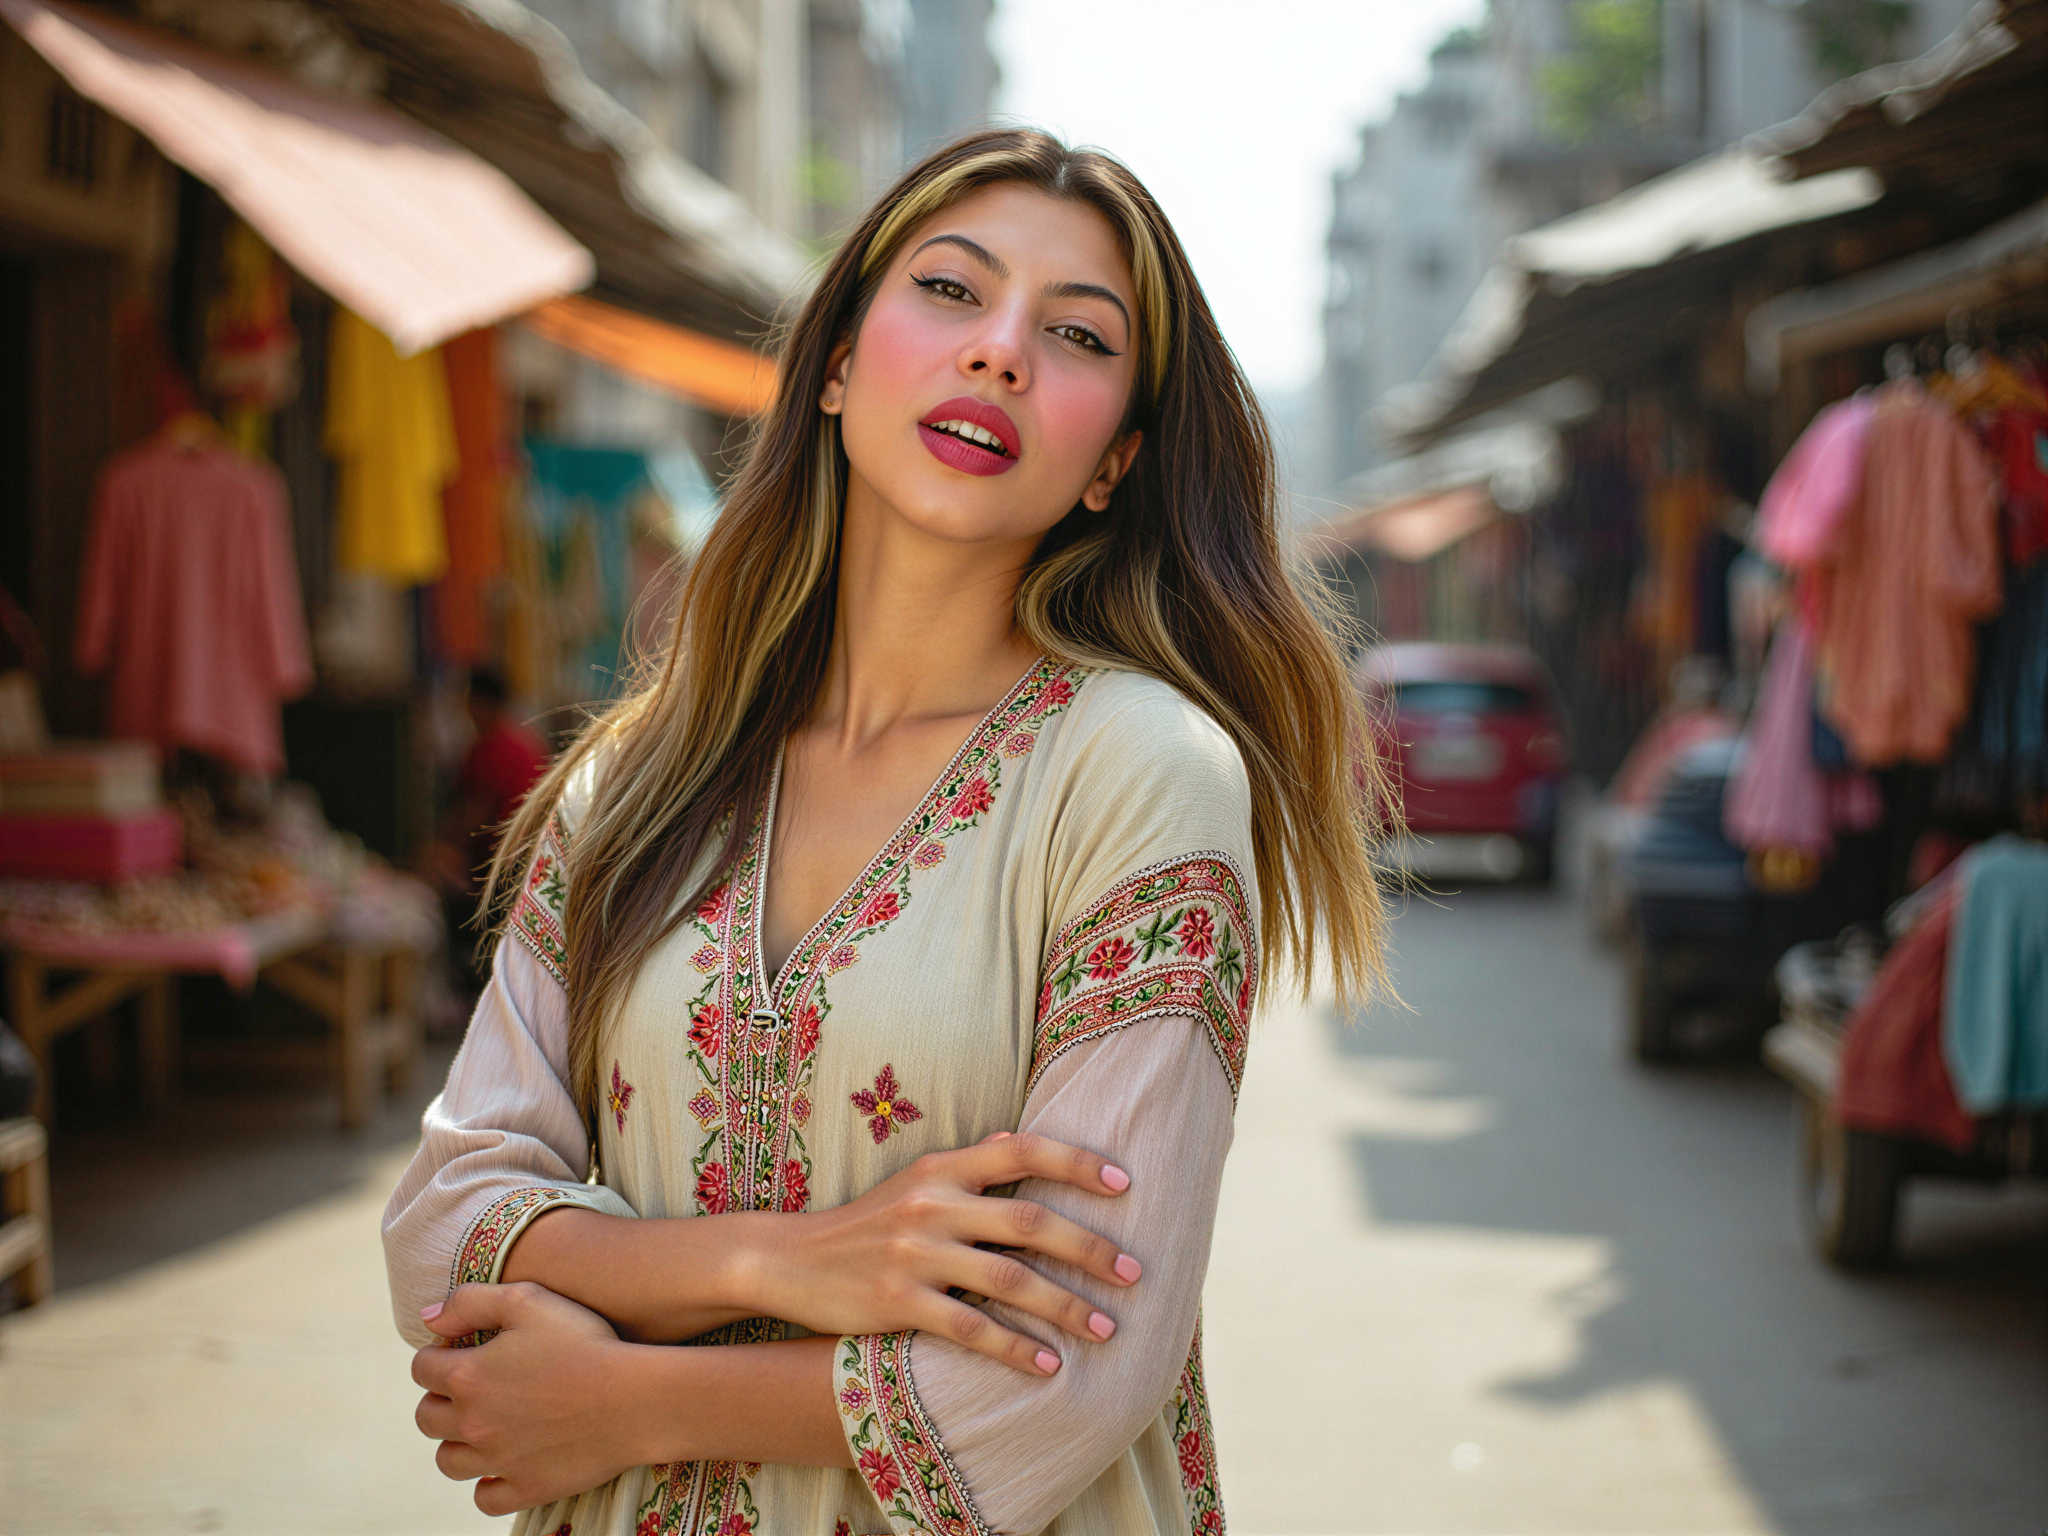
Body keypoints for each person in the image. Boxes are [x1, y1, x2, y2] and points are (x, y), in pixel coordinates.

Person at [383, 129, 1393, 1536]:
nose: (1001, 354)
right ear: (842, 360)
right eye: (952, 291)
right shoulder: (639, 779)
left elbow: (1079, 1360)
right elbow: (441, 1229)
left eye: (1077, 335)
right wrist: (777, 1264)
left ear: (1116, 463)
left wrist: (628, 1397)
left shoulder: (1139, 773)